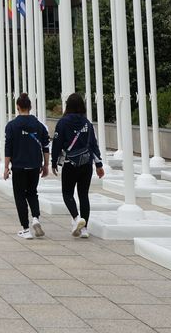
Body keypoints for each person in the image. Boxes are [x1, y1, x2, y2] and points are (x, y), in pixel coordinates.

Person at [51, 92, 104, 238]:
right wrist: (99, 165)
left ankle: (76, 218)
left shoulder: (63, 122)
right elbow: (93, 144)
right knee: (83, 195)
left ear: (67, 105)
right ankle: (85, 228)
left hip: (70, 164)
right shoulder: (87, 123)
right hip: (86, 164)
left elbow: (57, 143)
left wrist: (54, 161)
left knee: (67, 193)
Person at [3, 92, 50, 239]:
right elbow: (45, 147)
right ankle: (35, 217)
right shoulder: (39, 125)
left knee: (19, 196)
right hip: (35, 165)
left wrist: (6, 167)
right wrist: (46, 165)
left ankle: (25, 229)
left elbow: (8, 148)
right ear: (30, 106)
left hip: (18, 166)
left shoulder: (11, 126)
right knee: (32, 192)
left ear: (17, 107)